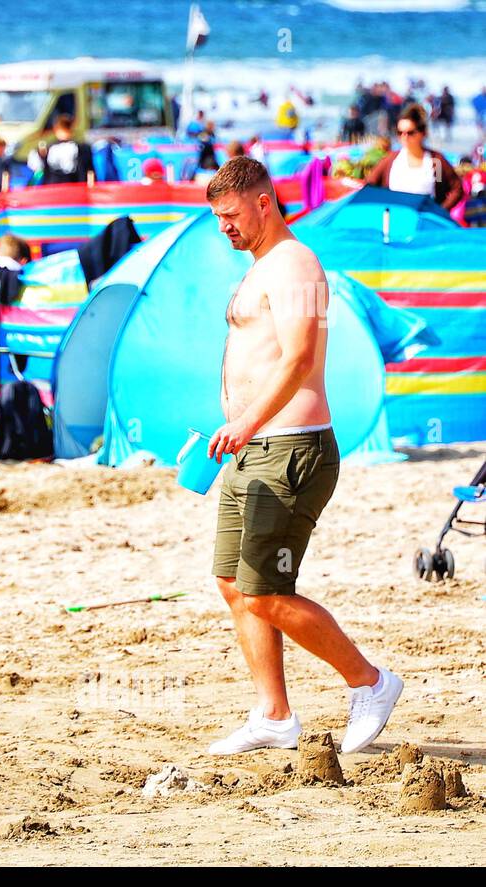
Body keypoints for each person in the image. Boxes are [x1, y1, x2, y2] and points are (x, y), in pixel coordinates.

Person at [203, 156, 403, 756]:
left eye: (231, 215)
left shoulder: (295, 264)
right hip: (253, 446)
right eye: (217, 219)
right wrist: (238, 424)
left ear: (264, 202)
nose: (224, 228)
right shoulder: (263, 264)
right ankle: (273, 715)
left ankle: (370, 682)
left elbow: (297, 357)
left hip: (289, 449)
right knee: (232, 583)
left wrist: (247, 420)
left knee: (265, 591)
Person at [365, 104, 463, 211]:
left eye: (410, 133)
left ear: (423, 133)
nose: (404, 137)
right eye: (400, 133)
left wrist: (440, 211)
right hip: (396, 221)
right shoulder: (391, 160)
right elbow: (369, 186)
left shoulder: (435, 161)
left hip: (426, 223)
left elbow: (456, 189)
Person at [40, 114, 94, 185]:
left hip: (54, 187)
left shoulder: (49, 148)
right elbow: (89, 171)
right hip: (74, 186)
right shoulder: (80, 147)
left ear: (56, 130)